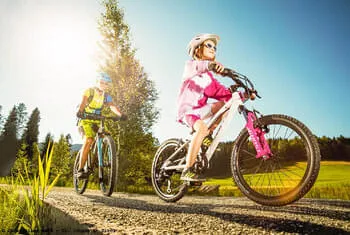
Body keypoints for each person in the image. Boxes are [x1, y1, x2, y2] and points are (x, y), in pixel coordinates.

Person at [177, 33, 232, 182]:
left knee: (226, 103)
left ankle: (209, 133)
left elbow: (221, 92)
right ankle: (187, 170)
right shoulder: (191, 66)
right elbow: (200, 66)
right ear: (197, 49)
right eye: (209, 45)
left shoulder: (209, 78)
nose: (213, 49)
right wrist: (211, 65)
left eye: (215, 47)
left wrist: (240, 93)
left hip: (201, 110)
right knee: (200, 128)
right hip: (188, 111)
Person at [76, 72, 126, 179]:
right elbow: (83, 102)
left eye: (106, 83)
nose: (104, 85)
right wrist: (80, 111)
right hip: (85, 119)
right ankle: (80, 169)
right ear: (97, 82)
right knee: (89, 140)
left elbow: (112, 106)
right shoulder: (89, 91)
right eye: (102, 82)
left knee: (106, 135)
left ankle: (100, 155)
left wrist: (120, 115)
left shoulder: (106, 96)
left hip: (97, 120)